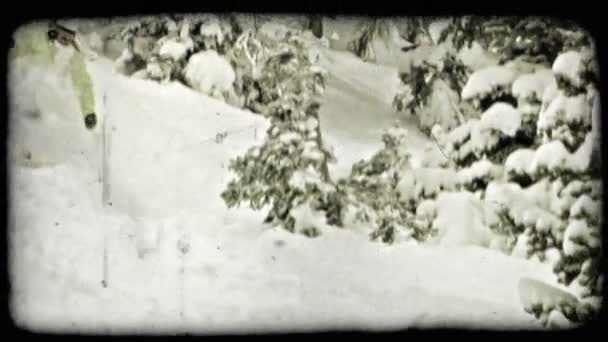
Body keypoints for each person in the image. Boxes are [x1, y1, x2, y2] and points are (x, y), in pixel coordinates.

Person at [10, 21, 98, 130]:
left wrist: (89, 112)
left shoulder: (73, 55)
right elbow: (19, 48)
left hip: (47, 110)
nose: (66, 41)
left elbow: (84, 83)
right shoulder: (39, 39)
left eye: (70, 38)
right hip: (24, 102)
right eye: (63, 36)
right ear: (54, 31)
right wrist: (13, 46)